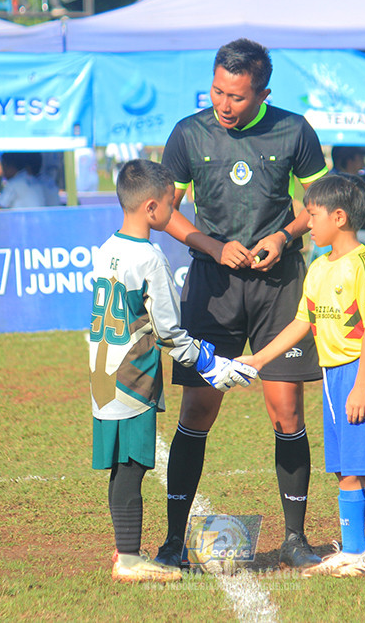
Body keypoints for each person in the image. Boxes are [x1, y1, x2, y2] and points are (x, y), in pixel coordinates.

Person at [155, 38, 329, 569]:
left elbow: (321, 202)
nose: (223, 104)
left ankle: (296, 540)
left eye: (236, 95)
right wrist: (211, 245)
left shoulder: (295, 130)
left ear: (263, 92)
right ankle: (172, 541)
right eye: (216, 92)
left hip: (280, 288)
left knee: (286, 411)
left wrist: (286, 236)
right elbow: (165, 211)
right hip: (213, 289)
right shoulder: (188, 133)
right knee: (198, 410)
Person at [90, 159, 256, 583]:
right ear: (150, 209)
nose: (173, 210)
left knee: (120, 465)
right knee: (131, 465)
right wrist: (211, 364)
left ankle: (126, 551)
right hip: (133, 377)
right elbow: (168, 331)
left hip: (101, 373)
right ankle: (128, 559)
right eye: (170, 203)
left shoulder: (106, 249)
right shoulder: (150, 257)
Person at [236, 173, 365, 577]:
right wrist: (258, 360)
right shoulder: (318, 267)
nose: (307, 223)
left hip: (363, 374)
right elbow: (300, 322)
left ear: (340, 217)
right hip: (334, 378)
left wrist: (362, 385)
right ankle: (351, 550)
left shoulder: (359, 266)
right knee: (345, 467)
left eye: (313, 215)